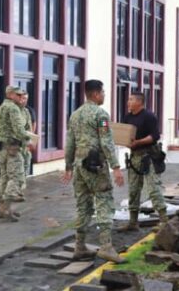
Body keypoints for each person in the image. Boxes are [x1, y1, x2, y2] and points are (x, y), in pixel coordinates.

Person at [61, 79, 126, 263]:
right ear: (96, 94)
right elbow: (106, 141)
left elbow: (70, 143)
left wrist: (68, 167)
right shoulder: (100, 114)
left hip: (79, 165)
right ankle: (106, 247)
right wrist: (116, 167)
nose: (104, 95)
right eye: (103, 92)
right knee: (104, 200)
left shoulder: (75, 115)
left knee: (83, 205)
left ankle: (80, 245)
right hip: (95, 165)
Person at [117, 92, 167, 232]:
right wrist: (126, 142)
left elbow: (155, 136)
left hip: (149, 156)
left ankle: (164, 221)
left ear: (139, 102)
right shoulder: (127, 117)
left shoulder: (149, 116)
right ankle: (133, 222)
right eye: (128, 99)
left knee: (154, 189)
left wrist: (138, 142)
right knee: (133, 190)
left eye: (131, 99)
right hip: (134, 157)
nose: (128, 102)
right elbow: (125, 134)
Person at [0, 85, 30, 222]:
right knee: (16, 177)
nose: (20, 97)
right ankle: (5, 208)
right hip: (12, 147)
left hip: (1, 147)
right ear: (10, 95)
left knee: (4, 177)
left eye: (22, 95)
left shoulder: (0, 108)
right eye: (18, 95)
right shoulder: (13, 108)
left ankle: (3, 208)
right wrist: (29, 140)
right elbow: (19, 130)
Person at [18, 91, 36, 192]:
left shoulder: (28, 110)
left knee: (26, 162)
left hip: (25, 143)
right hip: (16, 144)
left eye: (26, 98)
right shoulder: (14, 110)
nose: (24, 100)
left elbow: (33, 125)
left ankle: (21, 183)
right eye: (22, 98)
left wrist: (31, 141)